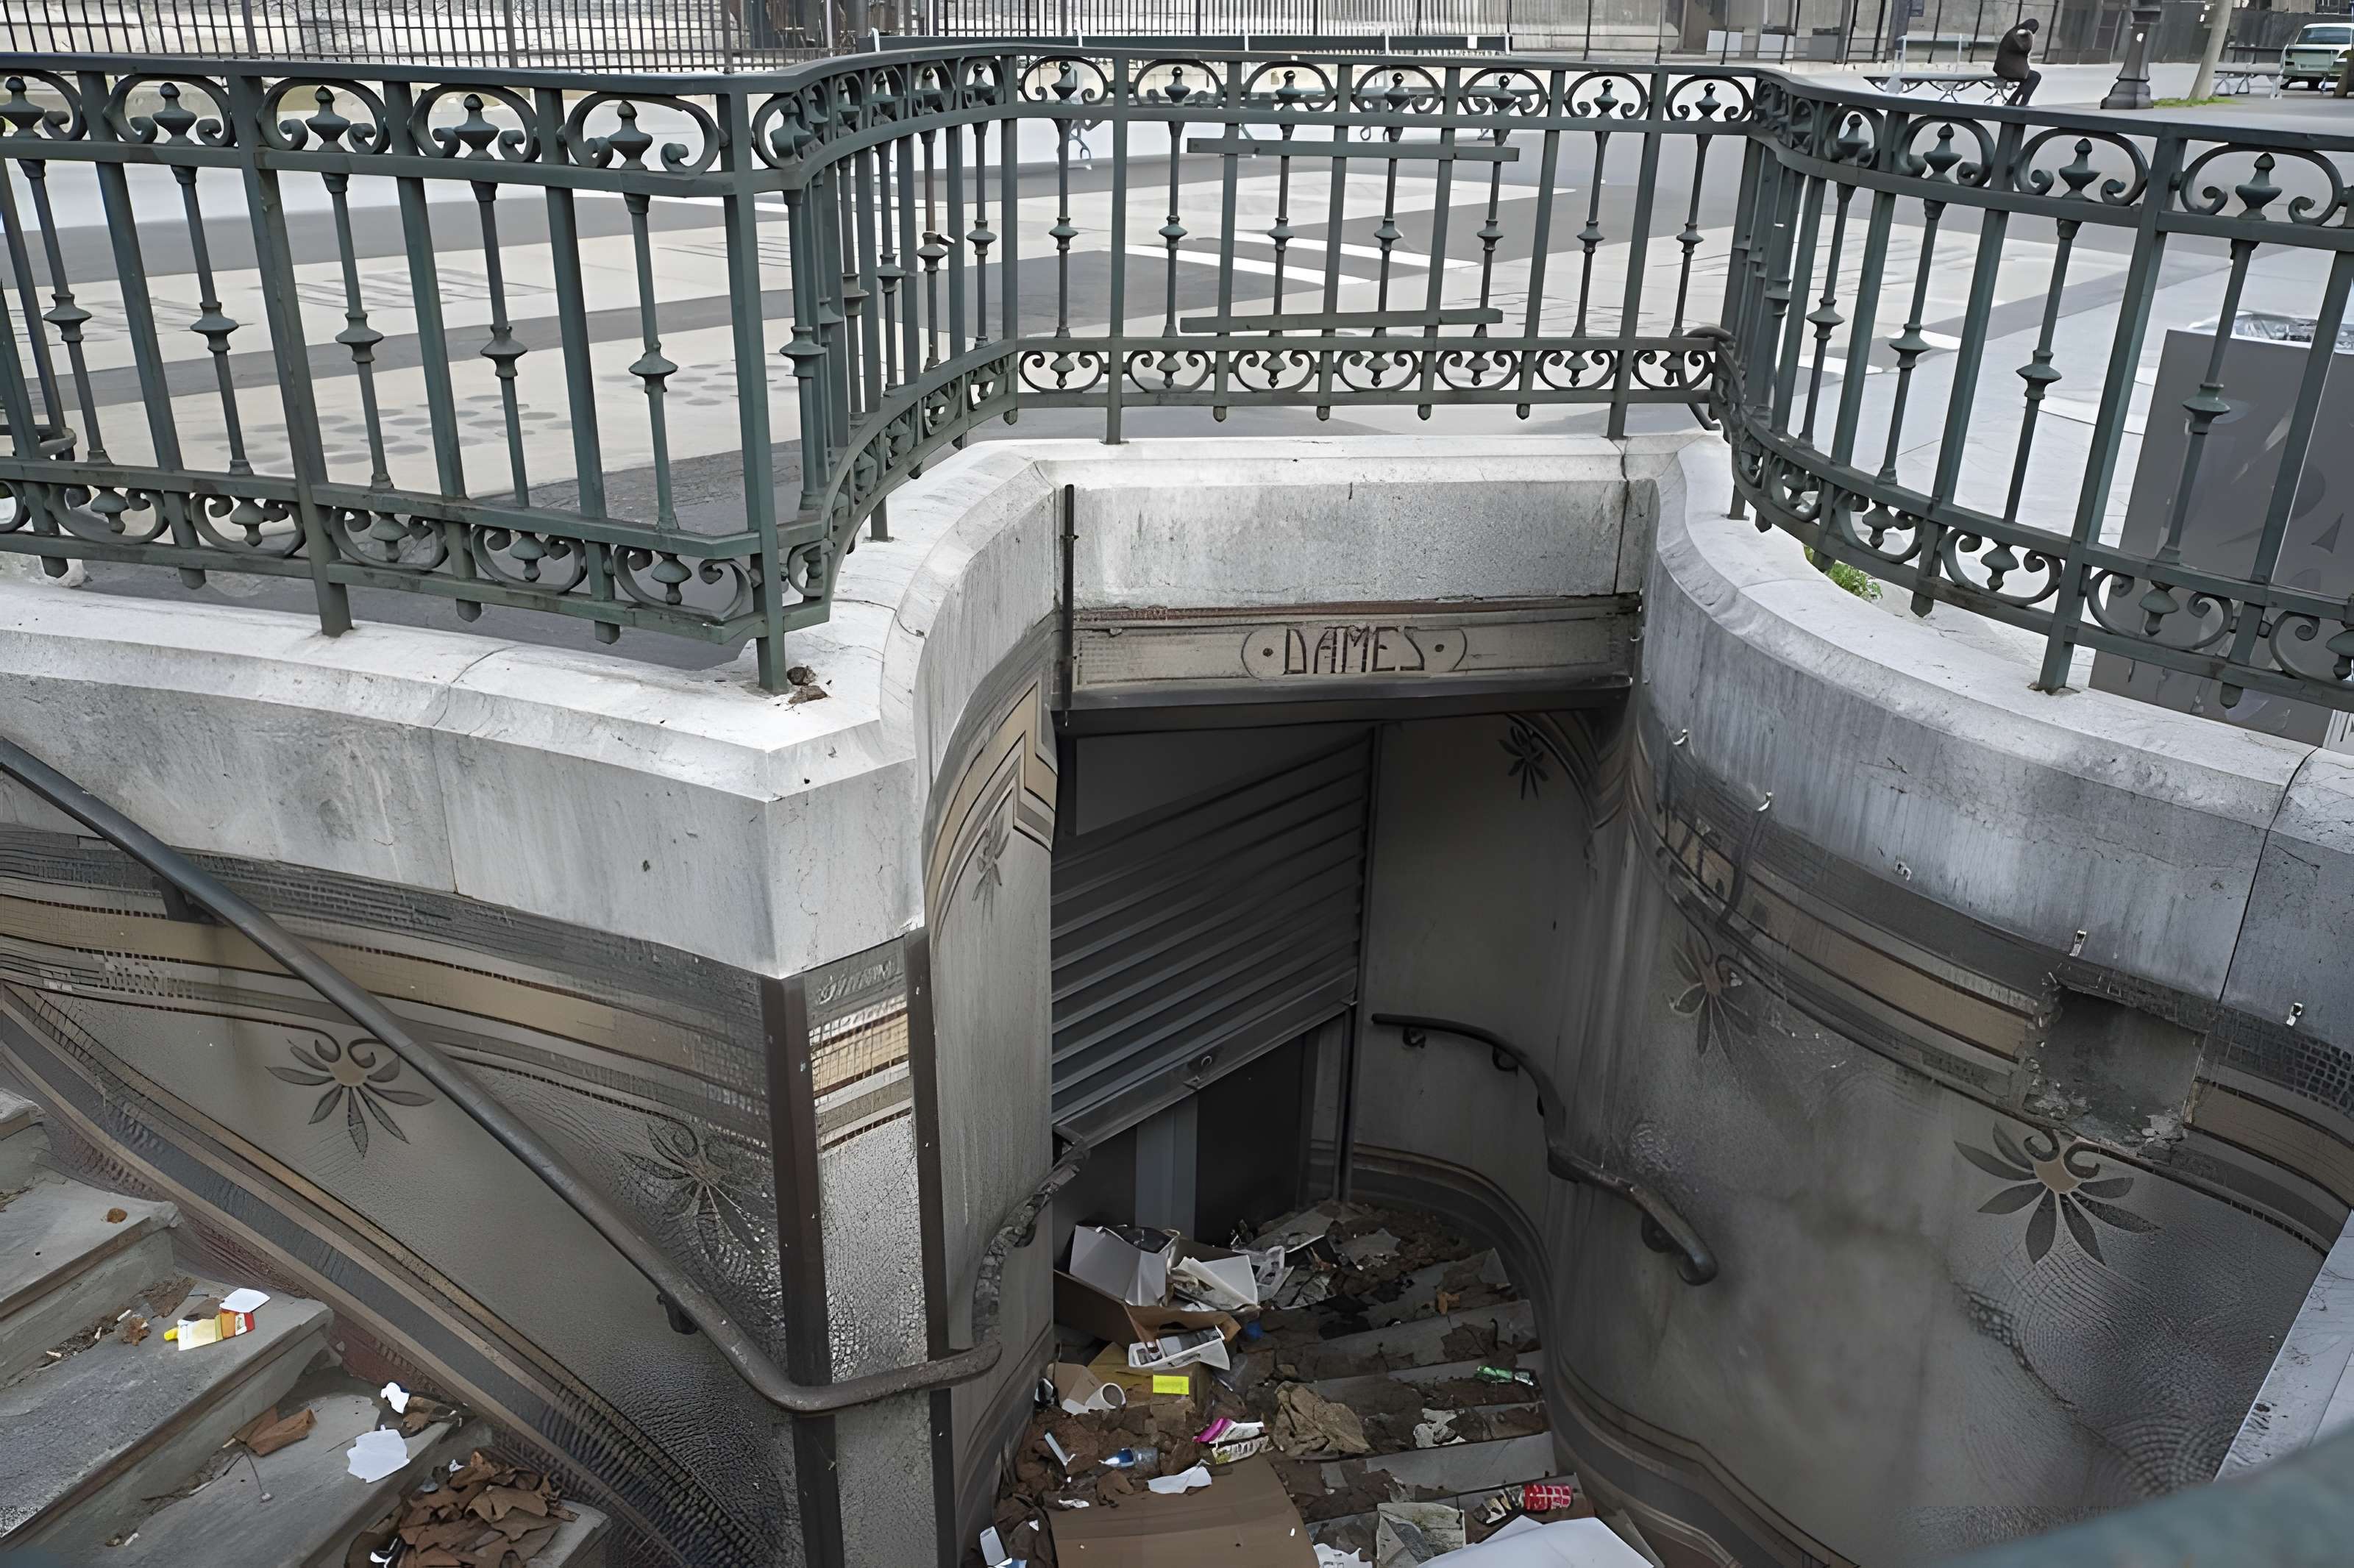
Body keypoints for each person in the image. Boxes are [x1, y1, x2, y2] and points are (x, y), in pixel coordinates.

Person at [1993, 15, 2043, 104]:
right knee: (2035, 77)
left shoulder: (2016, 31)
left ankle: (2014, 101)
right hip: (2008, 69)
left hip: (2008, 68)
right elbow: (2024, 48)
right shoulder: (2020, 33)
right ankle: (2021, 103)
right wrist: (2030, 37)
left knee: (2030, 78)